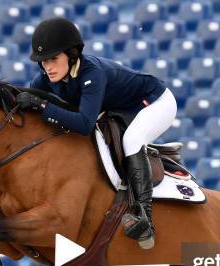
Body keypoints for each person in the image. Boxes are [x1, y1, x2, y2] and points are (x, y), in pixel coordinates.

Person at [15, 17, 177, 250]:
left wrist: (41, 106)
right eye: (42, 61)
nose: (47, 67)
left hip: (154, 102)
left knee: (132, 140)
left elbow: (84, 124)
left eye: (53, 59)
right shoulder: (44, 79)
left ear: (72, 55)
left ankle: (144, 217)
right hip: (120, 107)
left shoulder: (92, 73)